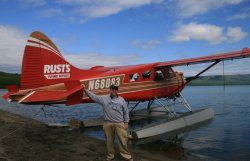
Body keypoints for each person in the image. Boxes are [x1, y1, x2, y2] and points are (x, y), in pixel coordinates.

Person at [83, 84, 133, 161]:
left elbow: (126, 112)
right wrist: (85, 90)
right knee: (109, 142)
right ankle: (110, 156)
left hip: (119, 123)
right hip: (107, 123)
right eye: (112, 89)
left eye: (115, 89)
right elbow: (94, 97)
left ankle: (127, 156)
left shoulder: (121, 100)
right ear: (110, 90)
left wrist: (126, 122)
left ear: (117, 90)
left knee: (123, 141)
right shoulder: (104, 98)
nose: (113, 91)